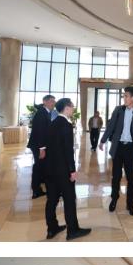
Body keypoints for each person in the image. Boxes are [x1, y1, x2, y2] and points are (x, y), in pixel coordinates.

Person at [44, 98, 92, 241]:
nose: (73, 109)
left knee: (51, 200)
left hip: (50, 169)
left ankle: (52, 229)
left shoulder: (52, 123)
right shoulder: (66, 125)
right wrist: (72, 170)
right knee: (69, 199)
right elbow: (68, 151)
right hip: (63, 170)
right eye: (72, 106)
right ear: (66, 108)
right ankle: (73, 230)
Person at [99, 86, 133, 216]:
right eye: (124, 96)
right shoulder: (118, 110)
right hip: (118, 147)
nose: (124, 98)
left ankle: (130, 204)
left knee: (131, 178)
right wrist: (103, 140)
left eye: (126, 96)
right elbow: (110, 126)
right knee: (116, 176)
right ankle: (114, 199)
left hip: (131, 149)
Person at [27, 94, 56, 199]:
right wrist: (42, 149)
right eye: (51, 101)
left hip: (39, 145)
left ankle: (39, 185)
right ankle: (36, 190)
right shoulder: (41, 113)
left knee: (41, 166)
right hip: (38, 146)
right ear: (45, 102)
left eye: (54, 101)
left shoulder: (45, 112)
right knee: (38, 167)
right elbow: (40, 132)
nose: (53, 103)